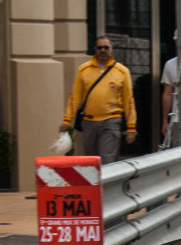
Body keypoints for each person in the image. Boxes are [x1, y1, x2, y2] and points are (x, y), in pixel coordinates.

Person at [59, 35, 137, 164]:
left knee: (107, 158)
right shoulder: (84, 70)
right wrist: (67, 120)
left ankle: (107, 184)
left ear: (111, 49)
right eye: (99, 47)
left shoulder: (122, 72)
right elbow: (75, 96)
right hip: (89, 121)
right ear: (95, 49)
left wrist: (131, 128)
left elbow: (129, 101)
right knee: (91, 161)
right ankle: (96, 184)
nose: (103, 50)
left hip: (111, 120)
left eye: (106, 47)